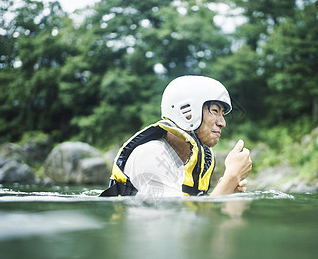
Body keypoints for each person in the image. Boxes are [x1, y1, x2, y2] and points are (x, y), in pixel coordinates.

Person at [100, 75, 252, 197]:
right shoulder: (151, 155)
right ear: (187, 111)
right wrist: (230, 178)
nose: (222, 123)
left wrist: (226, 189)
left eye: (222, 114)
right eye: (214, 111)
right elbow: (175, 219)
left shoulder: (192, 160)